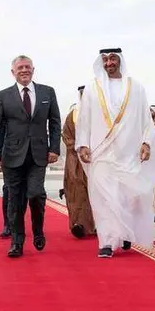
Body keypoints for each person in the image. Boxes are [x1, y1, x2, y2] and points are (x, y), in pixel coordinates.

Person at [75, 48, 155, 258]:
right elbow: (84, 119)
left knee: (126, 197)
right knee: (104, 197)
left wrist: (146, 143)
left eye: (112, 58)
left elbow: (145, 118)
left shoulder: (136, 88)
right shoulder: (91, 88)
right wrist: (82, 145)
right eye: (105, 60)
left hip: (128, 153)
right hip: (101, 152)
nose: (108, 63)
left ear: (120, 60)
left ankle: (124, 234)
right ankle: (106, 241)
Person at [0, 55, 61, 258]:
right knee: (15, 200)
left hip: (38, 155)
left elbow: (55, 122)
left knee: (36, 194)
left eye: (27, 67)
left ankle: (38, 230)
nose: (24, 70)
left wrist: (54, 148)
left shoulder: (47, 92)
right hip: (12, 155)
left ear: (33, 70)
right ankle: (17, 242)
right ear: (13, 72)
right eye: (20, 67)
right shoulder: (4, 96)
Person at [62, 85, 96, 238]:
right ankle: (78, 225)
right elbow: (66, 136)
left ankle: (95, 225)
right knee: (76, 192)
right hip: (75, 161)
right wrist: (79, 148)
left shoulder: (100, 115)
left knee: (95, 193)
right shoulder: (73, 115)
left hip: (95, 160)